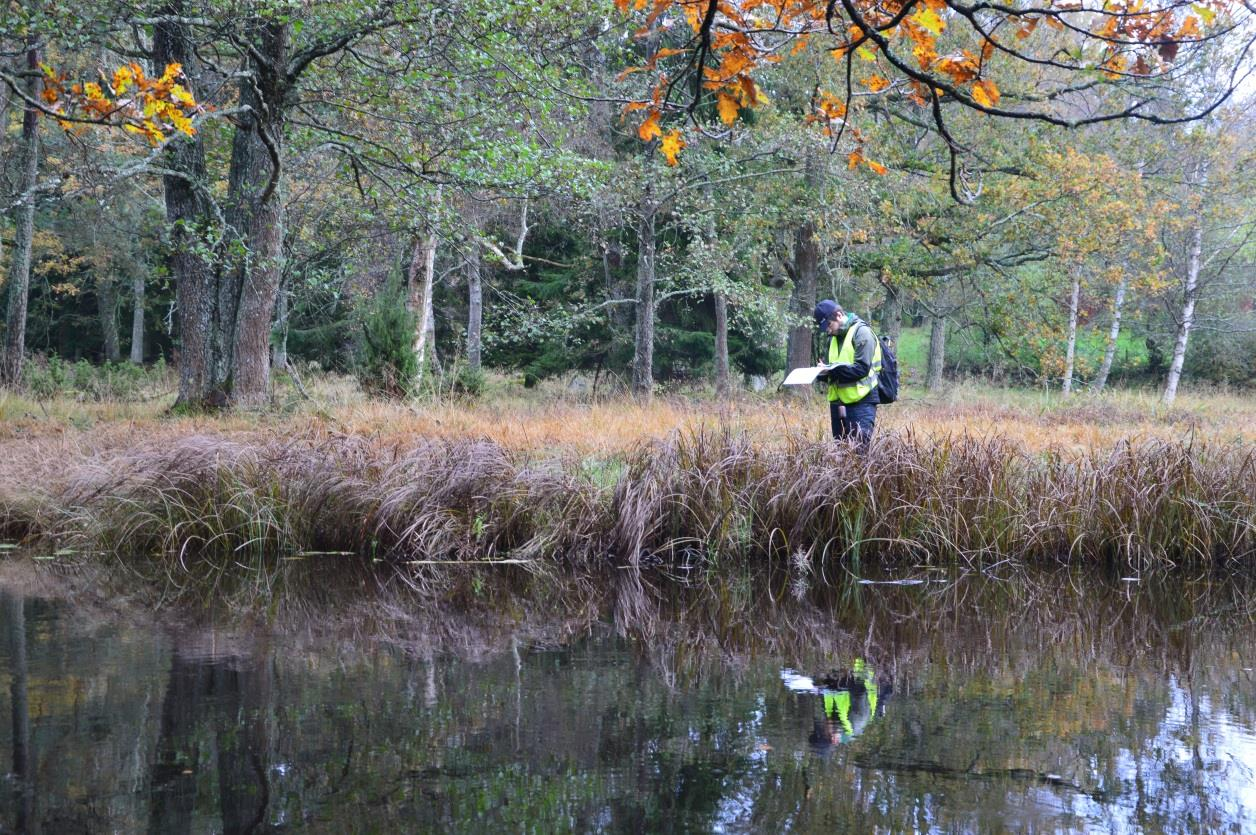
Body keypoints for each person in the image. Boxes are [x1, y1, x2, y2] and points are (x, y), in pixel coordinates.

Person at [813, 299, 882, 448]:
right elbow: (834, 368)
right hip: (838, 402)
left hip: (862, 402)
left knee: (859, 453)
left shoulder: (862, 332)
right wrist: (821, 372)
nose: (828, 330)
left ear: (838, 315)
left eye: (829, 325)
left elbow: (861, 369)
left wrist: (833, 370)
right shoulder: (833, 338)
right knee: (841, 452)